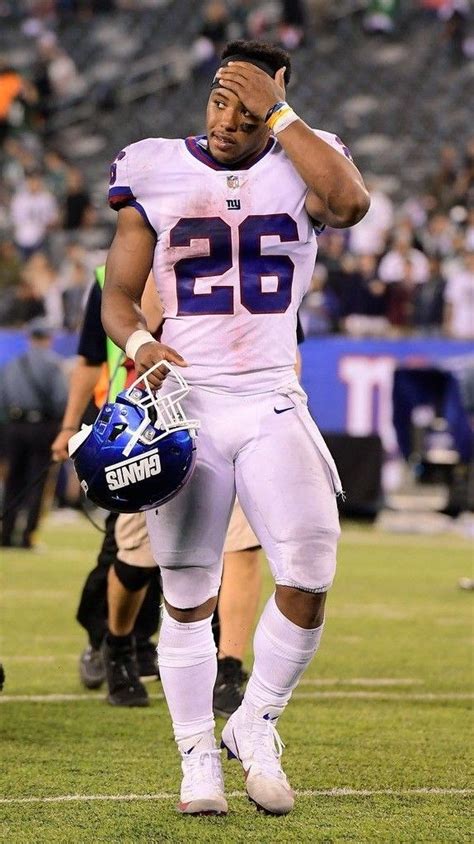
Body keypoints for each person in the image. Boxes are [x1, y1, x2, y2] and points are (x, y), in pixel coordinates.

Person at [101, 39, 369, 816]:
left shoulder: (306, 160)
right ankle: (196, 758)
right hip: (190, 400)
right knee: (186, 593)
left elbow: (348, 204)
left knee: (312, 571)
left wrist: (279, 113)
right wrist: (142, 343)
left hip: (271, 394)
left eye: (244, 106)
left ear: (276, 106)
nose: (225, 118)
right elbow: (118, 295)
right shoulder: (153, 166)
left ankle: (255, 723)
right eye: (219, 98)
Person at [53, 266, 267, 714]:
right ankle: (119, 647)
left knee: (242, 549)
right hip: (154, 422)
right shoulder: (132, 264)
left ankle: (229, 667)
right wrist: (71, 425)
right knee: (135, 560)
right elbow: (128, 332)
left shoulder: (256, 248)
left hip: (241, 413)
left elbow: (289, 344)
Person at [0, 318, 68, 548]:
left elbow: (3, 399)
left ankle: (6, 533)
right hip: (42, 427)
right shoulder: (53, 364)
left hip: (14, 426)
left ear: (30, 338)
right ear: (48, 338)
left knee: (12, 481)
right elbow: (61, 400)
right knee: (38, 481)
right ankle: (28, 536)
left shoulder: (12, 364)